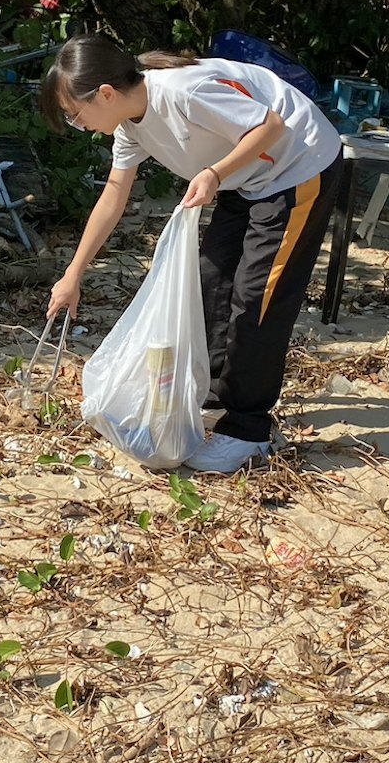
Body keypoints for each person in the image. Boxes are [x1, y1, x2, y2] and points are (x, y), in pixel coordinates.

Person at [42, 35, 343, 473]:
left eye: (75, 115)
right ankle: (216, 400)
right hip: (244, 178)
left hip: (297, 166)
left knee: (259, 299)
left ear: (105, 93)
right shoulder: (129, 124)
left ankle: (249, 430)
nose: (79, 125)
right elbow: (113, 195)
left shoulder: (183, 92)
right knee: (211, 284)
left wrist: (214, 172)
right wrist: (73, 274)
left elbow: (271, 126)